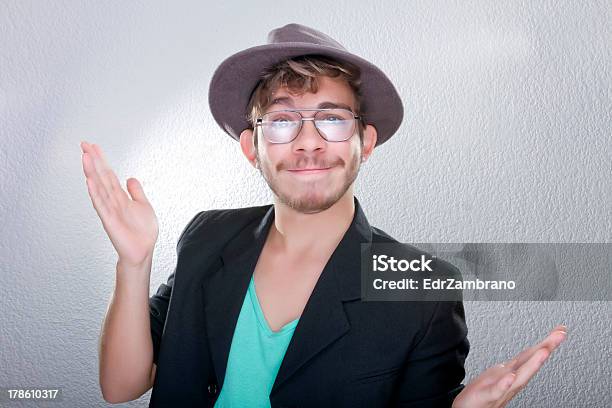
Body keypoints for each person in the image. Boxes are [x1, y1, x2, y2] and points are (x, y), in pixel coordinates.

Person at [83, 23, 567, 407]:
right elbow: (122, 387)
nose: (309, 142)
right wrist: (133, 263)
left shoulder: (424, 289)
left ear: (366, 143)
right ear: (252, 147)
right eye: (283, 121)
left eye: (333, 119)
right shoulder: (207, 236)